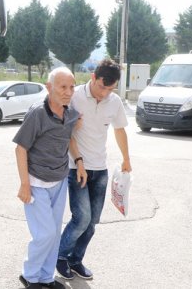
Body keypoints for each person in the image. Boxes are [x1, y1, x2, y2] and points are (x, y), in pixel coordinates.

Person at [56, 58, 132, 281]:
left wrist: (127, 158)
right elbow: (66, 132)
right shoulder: (75, 96)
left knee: (92, 223)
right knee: (81, 218)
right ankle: (60, 256)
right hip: (76, 167)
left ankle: (76, 260)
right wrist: (78, 160)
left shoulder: (114, 101)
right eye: (102, 87)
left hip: (100, 169)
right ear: (93, 77)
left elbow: (120, 130)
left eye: (110, 89)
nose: (104, 93)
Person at [14, 67, 81, 289]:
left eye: (71, 87)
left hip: (59, 181)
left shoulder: (70, 114)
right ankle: (30, 276)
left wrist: (79, 163)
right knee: (45, 234)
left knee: (54, 234)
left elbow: (69, 138)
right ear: (49, 87)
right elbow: (21, 149)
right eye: (63, 87)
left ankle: (45, 277)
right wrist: (24, 184)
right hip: (36, 183)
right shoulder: (37, 114)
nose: (68, 92)